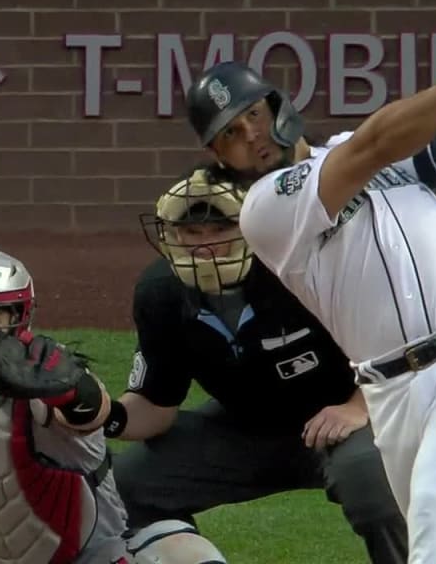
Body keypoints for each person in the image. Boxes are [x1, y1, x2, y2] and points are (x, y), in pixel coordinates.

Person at [180, 54, 436, 564]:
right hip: (393, 400)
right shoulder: (265, 210)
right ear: (219, 156)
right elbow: (374, 146)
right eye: (231, 134)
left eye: (253, 116)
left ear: (276, 106)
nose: (251, 135)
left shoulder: (355, 150)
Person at [106, 167, 408, 564]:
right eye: (192, 233)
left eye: (219, 229)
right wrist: (93, 411)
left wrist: (358, 407)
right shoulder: (161, 292)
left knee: (373, 485)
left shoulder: (305, 267)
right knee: (123, 486)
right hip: (244, 431)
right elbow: (154, 408)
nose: (204, 247)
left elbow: (399, 349)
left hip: (341, 419)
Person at [0, 247, 226, 564]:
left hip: (96, 557)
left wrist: (69, 387)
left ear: (18, 320)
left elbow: (88, 410)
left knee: (185, 552)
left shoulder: (49, 384)